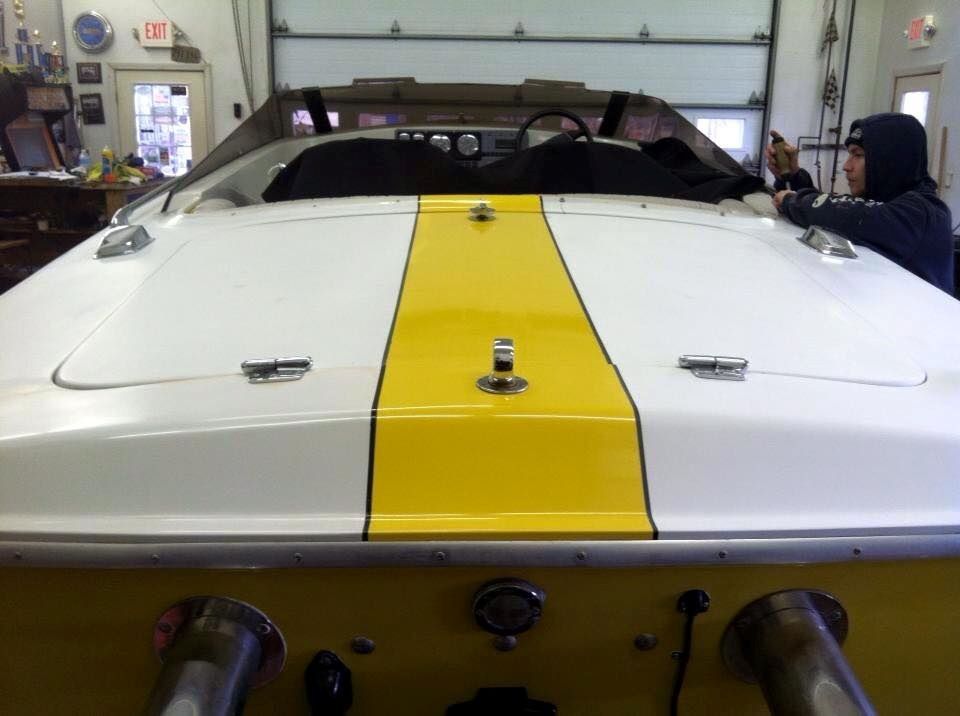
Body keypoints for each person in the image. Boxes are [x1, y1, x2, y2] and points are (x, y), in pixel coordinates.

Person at [765, 114, 954, 294]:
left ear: (889, 160)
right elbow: (838, 210)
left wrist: (792, 201)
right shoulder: (882, 201)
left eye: (858, 155)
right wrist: (794, 176)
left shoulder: (923, 213)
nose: (846, 166)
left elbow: (850, 216)